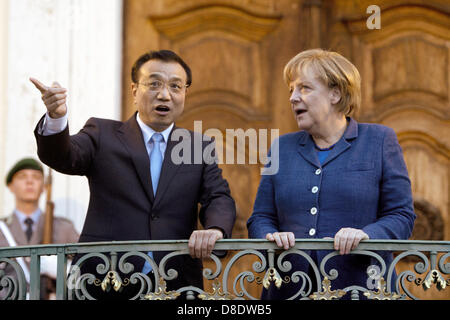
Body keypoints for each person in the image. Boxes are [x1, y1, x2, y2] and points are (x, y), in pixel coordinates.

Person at [30, 50, 236, 299]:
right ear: (134, 90)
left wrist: (215, 229)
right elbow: (63, 157)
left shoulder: (197, 147)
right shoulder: (102, 133)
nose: (164, 94)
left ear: (185, 94)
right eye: (154, 84)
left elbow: (218, 197)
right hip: (105, 279)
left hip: (177, 282)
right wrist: (56, 117)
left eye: (175, 86)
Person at [247, 48, 416, 299]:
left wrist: (366, 234)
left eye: (304, 88)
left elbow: (401, 215)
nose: (293, 97)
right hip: (289, 289)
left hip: (362, 288)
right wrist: (270, 236)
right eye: (291, 89)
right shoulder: (281, 148)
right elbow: (260, 217)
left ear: (336, 93)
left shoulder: (379, 140)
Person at [0, 158, 79, 299]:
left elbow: (88, 266)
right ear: (11, 186)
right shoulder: (2, 229)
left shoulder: (63, 228)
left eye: (36, 177)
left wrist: (64, 269)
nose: (29, 181)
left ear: (44, 187)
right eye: (22, 176)